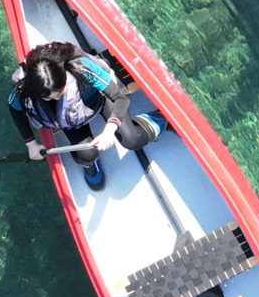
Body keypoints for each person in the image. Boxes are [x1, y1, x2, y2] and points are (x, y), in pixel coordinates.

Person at [10, 39, 157, 193]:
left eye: (60, 90)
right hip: (68, 121)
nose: (57, 97)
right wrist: (31, 144)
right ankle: (89, 164)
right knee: (87, 154)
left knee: (132, 140)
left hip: (98, 100)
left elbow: (120, 98)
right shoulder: (24, 89)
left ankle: (158, 121)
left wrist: (109, 129)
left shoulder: (81, 69)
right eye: (49, 96)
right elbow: (14, 109)